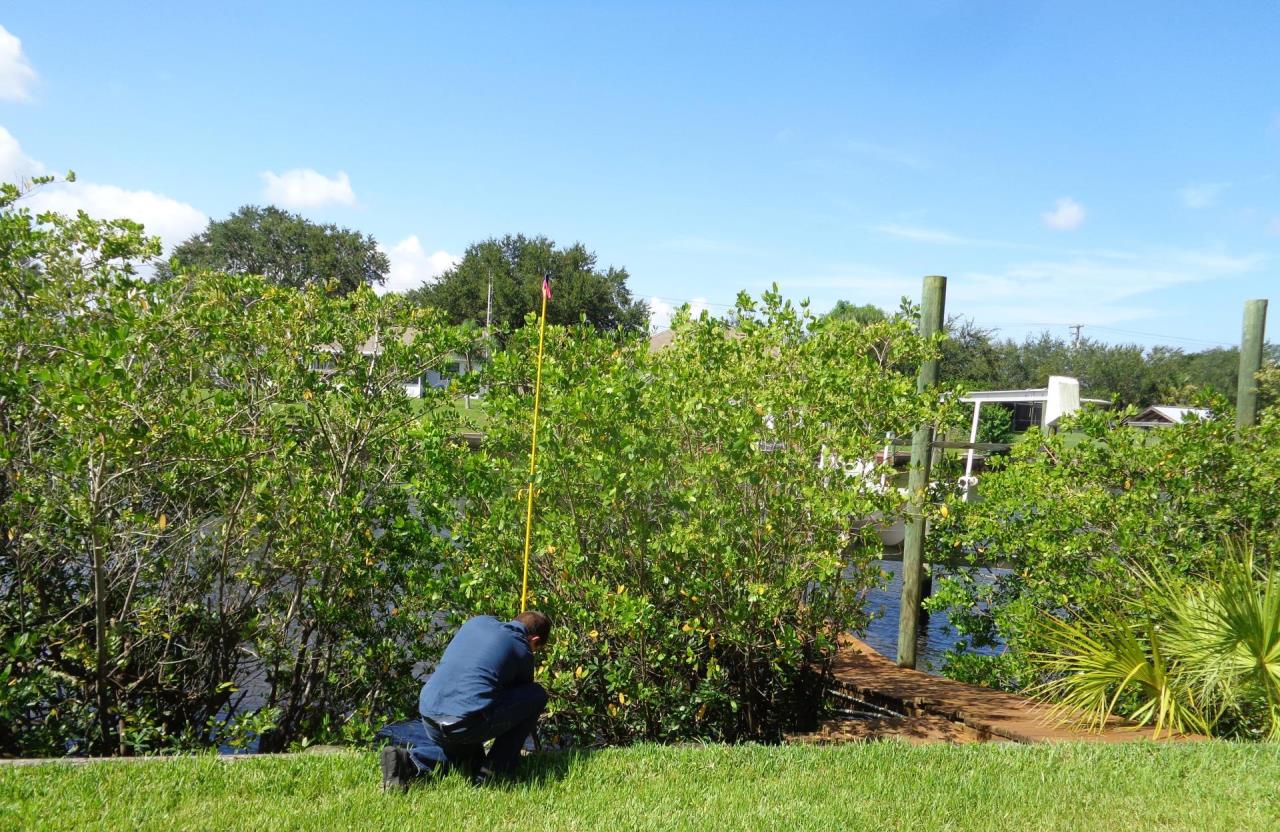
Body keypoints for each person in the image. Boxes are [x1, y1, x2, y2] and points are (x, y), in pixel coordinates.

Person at [380, 610, 551, 791]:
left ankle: (407, 762)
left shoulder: (477, 622)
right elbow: (520, 701)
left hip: (429, 715)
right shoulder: (522, 648)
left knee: (469, 756)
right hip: (463, 724)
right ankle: (494, 772)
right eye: (537, 649)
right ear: (534, 640)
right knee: (536, 695)